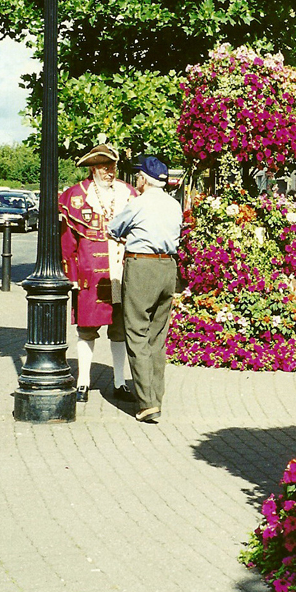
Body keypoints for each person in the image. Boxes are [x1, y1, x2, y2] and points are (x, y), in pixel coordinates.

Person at [59, 144, 137, 403]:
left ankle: (119, 382)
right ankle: (83, 382)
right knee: (87, 329)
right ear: (93, 168)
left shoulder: (129, 193)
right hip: (90, 276)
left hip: (122, 274)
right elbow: (67, 242)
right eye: (104, 167)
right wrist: (70, 276)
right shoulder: (75, 196)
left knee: (119, 330)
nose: (109, 171)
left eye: (112, 166)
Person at [109, 156, 183, 425]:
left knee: (136, 331)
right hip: (168, 268)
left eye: (138, 176)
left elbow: (113, 228)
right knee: (157, 337)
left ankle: (147, 403)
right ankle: (156, 397)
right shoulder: (175, 205)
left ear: (143, 179)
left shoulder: (138, 203)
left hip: (142, 266)